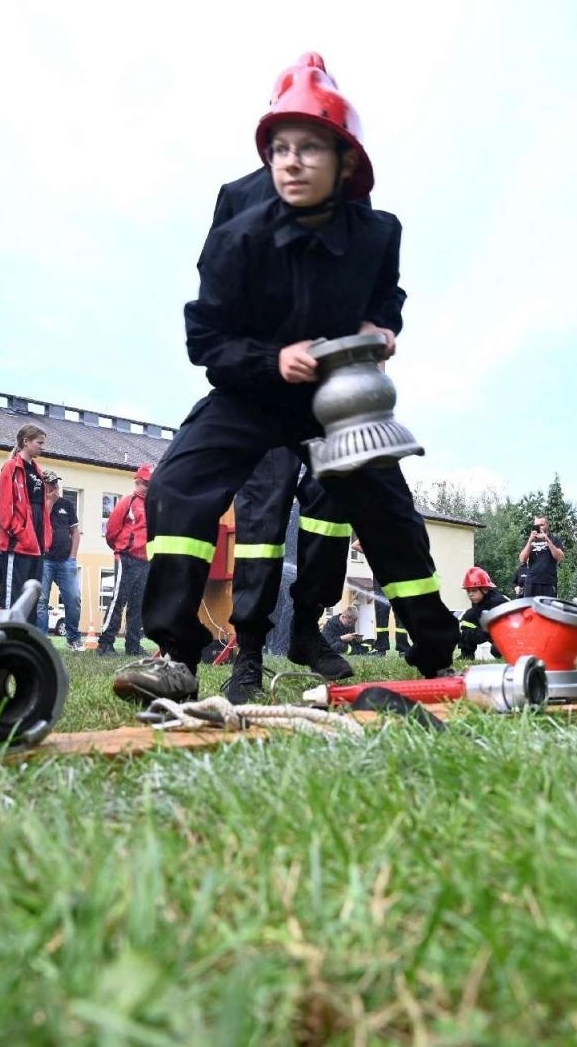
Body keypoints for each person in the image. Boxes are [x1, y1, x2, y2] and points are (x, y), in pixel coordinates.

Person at [113, 55, 459, 704]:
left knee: (388, 513)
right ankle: (176, 657)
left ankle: (437, 655)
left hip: (338, 402)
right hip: (254, 393)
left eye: (309, 148)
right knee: (180, 483)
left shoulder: (378, 233)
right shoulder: (238, 232)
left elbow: (388, 296)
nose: (293, 162)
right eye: (281, 149)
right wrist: (273, 361)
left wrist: (380, 327)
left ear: (345, 162)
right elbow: (205, 340)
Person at [211, 54, 385, 701]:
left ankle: (307, 627)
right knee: (261, 515)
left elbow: (373, 282)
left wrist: (375, 327)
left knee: (331, 505)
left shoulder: (345, 200)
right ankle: (249, 653)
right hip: (262, 385)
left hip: (328, 391)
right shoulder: (239, 198)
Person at [0, 424, 52, 610]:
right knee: (14, 596)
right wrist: (16, 531)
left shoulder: (37, 469)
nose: (42, 447)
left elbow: (40, 506)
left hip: (36, 540)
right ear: (25, 442)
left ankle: (27, 636)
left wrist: (44, 537)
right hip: (18, 540)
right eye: (39, 443)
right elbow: (5, 503)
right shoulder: (11, 467)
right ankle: (10, 635)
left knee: (32, 594)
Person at [98, 465, 151, 656]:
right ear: (137, 483)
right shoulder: (128, 502)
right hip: (126, 558)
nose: (146, 487)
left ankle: (133, 645)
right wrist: (120, 549)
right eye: (143, 483)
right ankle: (105, 643)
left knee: (138, 604)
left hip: (145, 561)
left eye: (148, 484)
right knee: (118, 600)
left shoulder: (154, 506)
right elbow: (111, 529)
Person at [38, 471, 84, 649]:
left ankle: (73, 637)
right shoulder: (39, 504)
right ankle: (42, 639)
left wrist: (73, 556)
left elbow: (75, 532)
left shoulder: (67, 504)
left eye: (56, 484)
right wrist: (49, 503)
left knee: (73, 598)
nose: (55, 488)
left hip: (66, 560)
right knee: (41, 600)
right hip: (44, 560)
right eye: (51, 485)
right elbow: (40, 526)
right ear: (44, 486)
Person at [457, 567, 510, 659]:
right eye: (468, 591)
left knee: (496, 650)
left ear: (485, 589)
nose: (470, 594)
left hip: (508, 634)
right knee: (467, 618)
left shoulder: (499, 602)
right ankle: (466, 655)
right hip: (490, 631)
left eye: (474, 590)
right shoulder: (478, 605)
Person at [515, 516, 564, 598]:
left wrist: (547, 540)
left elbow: (559, 557)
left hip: (548, 582)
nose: (539, 527)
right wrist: (530, 541)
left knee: (547, 610)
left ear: (547, 525)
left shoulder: (554, 539)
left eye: (541, 525)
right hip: (531, 581)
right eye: (536, 525)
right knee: (530, 609)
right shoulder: (529, 540)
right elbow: (522, 559)